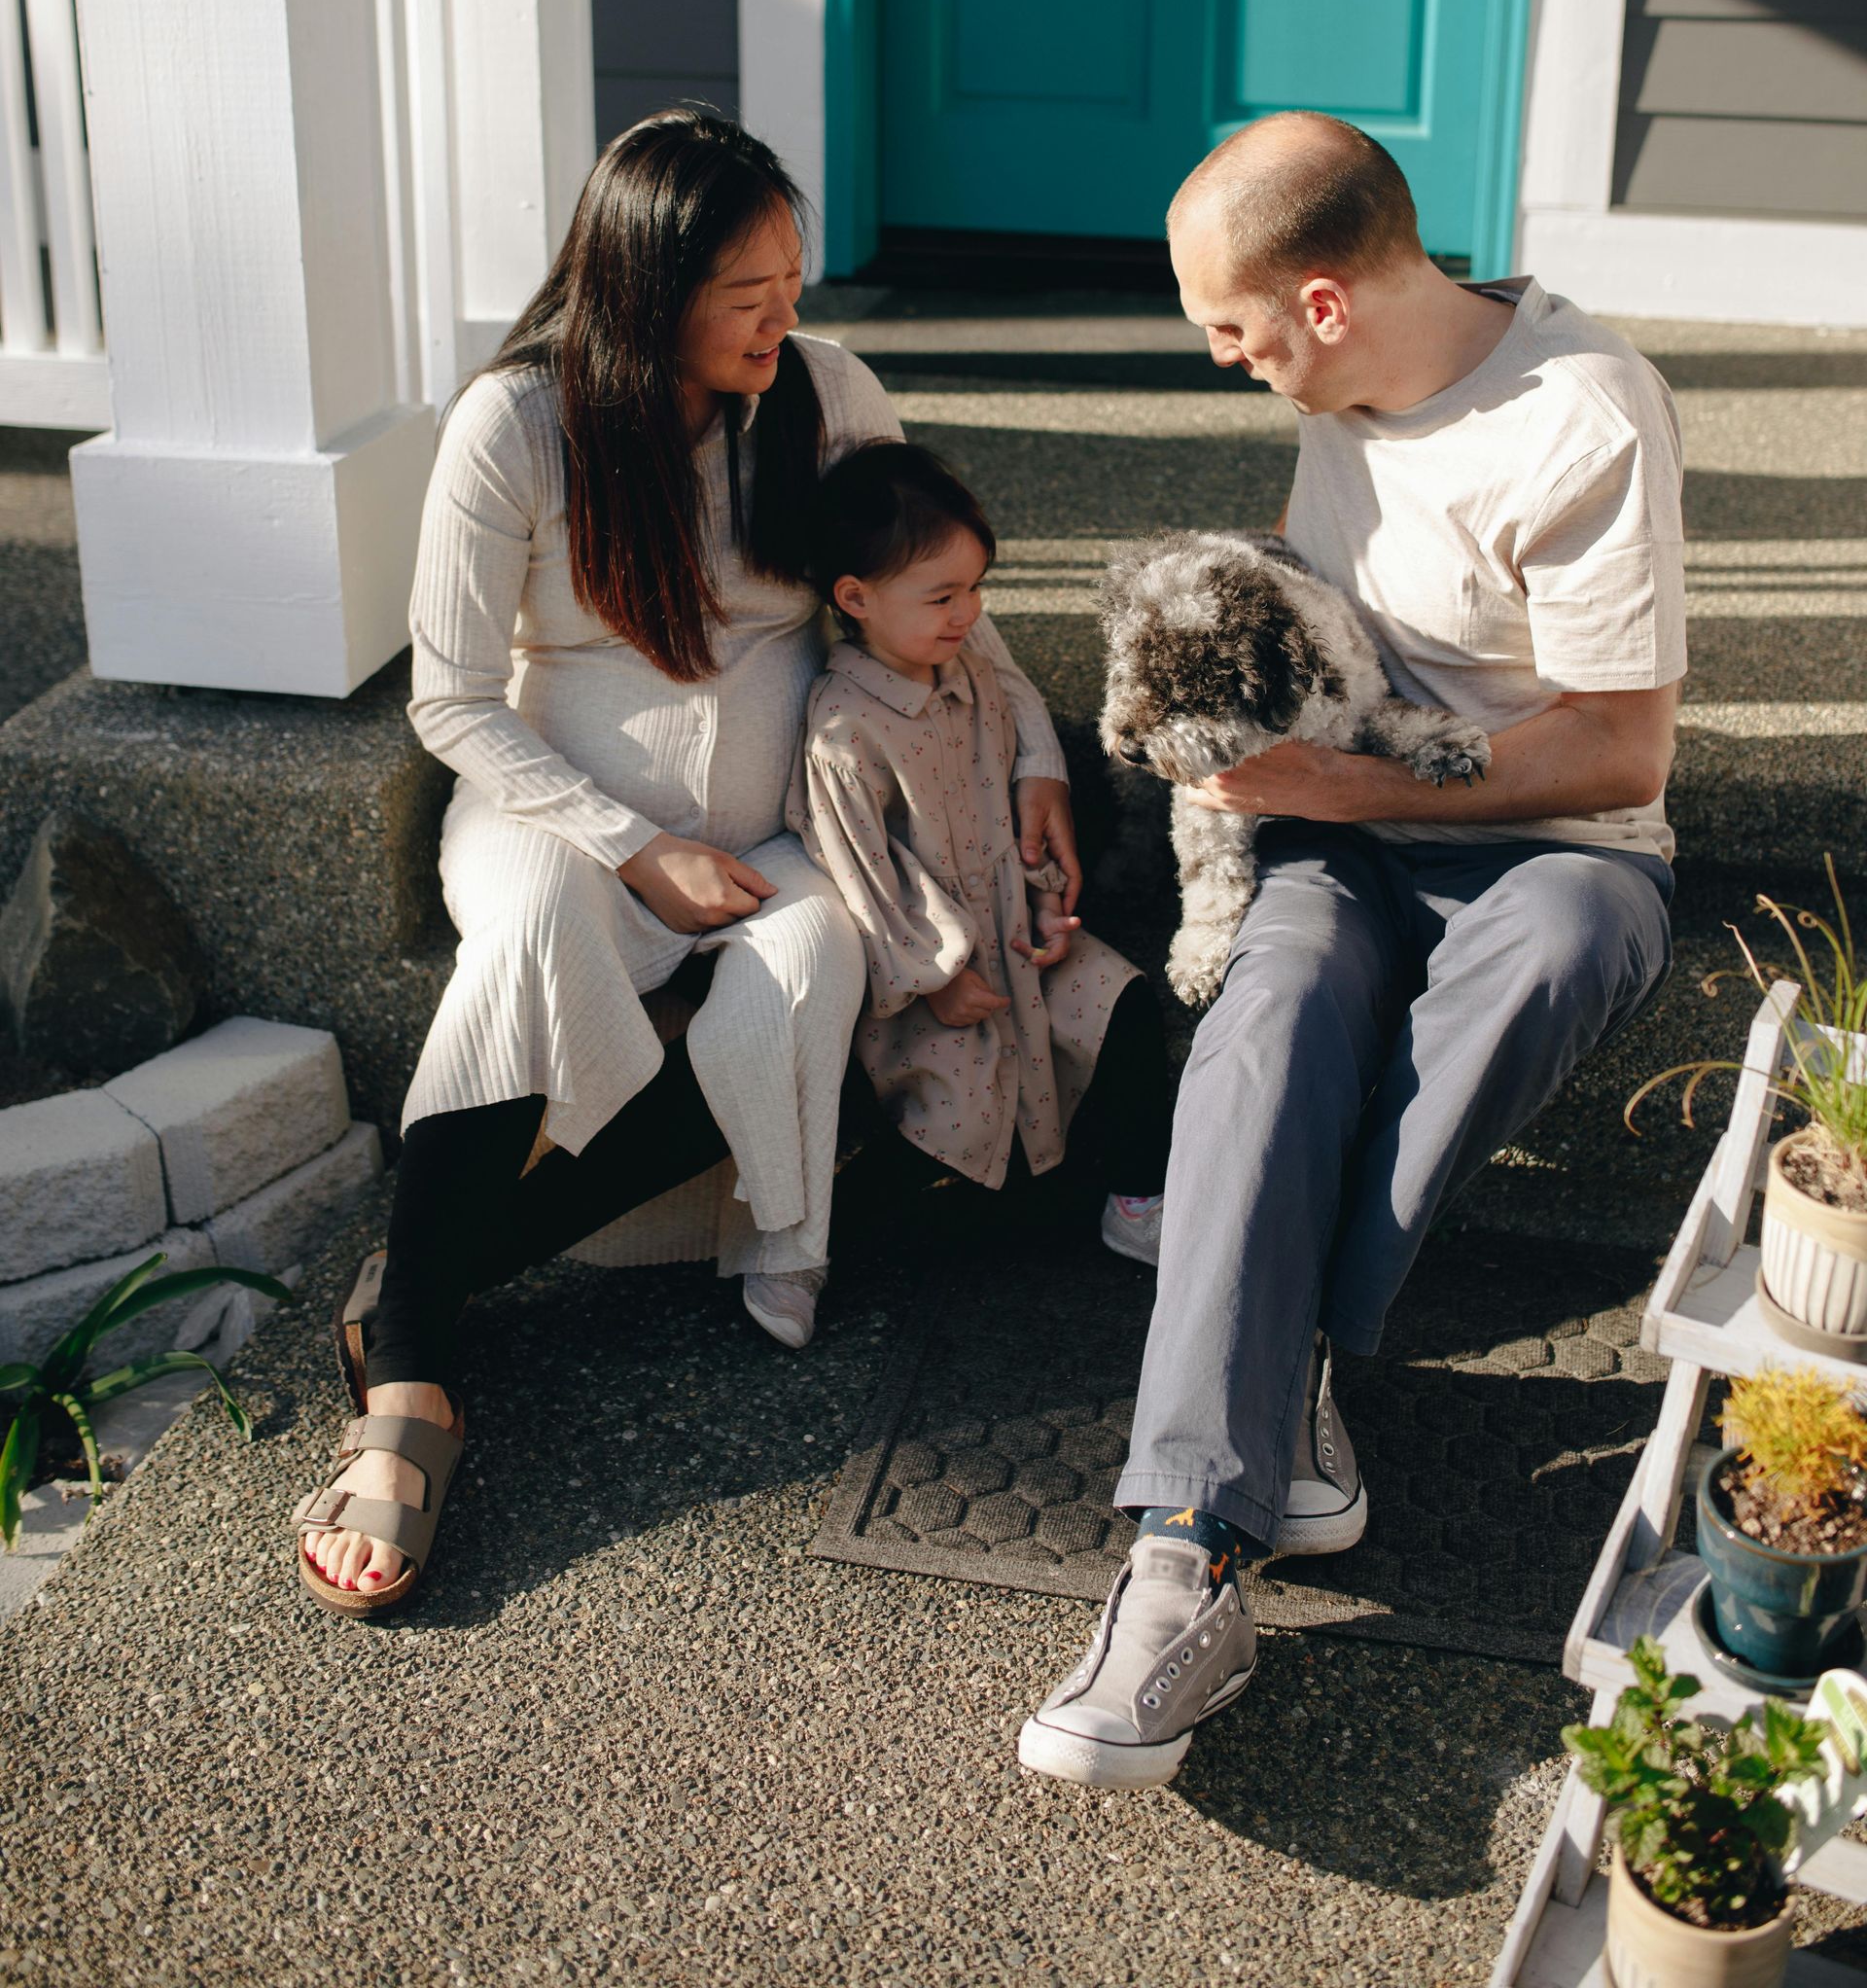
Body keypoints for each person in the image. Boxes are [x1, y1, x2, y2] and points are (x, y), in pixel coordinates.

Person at [294, 107, 1081, 1617]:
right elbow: (450, 696)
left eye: (792, 276)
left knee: (820, 965)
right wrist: (630, 844)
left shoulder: (825, 391)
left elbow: (939, 596)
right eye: (748, 292)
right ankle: (406, 1392)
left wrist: (1037, 756)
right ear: (646, 286)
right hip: (562, 813)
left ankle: (429, 1276)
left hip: (782, 827)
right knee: (528, 939)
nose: (786, 315)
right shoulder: (518, 427)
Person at [1018, 109, 1683, 1786]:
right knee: (1279, 999)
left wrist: (1336, 773)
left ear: (1326, 301)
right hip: (1343, 830)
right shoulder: (1340, 391)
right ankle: (1185, 1553)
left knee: (1553, 948)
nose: (1222, 359)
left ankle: (1284, 1340)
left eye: (1230, 328)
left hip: (1557, 848)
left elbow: (1620, 750)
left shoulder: (1582, 416)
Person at [789, 442, 1175, 1247]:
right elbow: (860, 867)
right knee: (945, 1116)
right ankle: (823, 1239)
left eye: (975, 590)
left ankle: (1139, 1201)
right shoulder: (843, 729)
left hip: (1017, 937)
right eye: (941, 597)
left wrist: (1044, 903)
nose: (967, 614)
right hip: (937, 970)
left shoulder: (975, 683)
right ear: (856, 598)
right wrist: (934, 977)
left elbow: (1008, 818)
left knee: (1122, 1006)